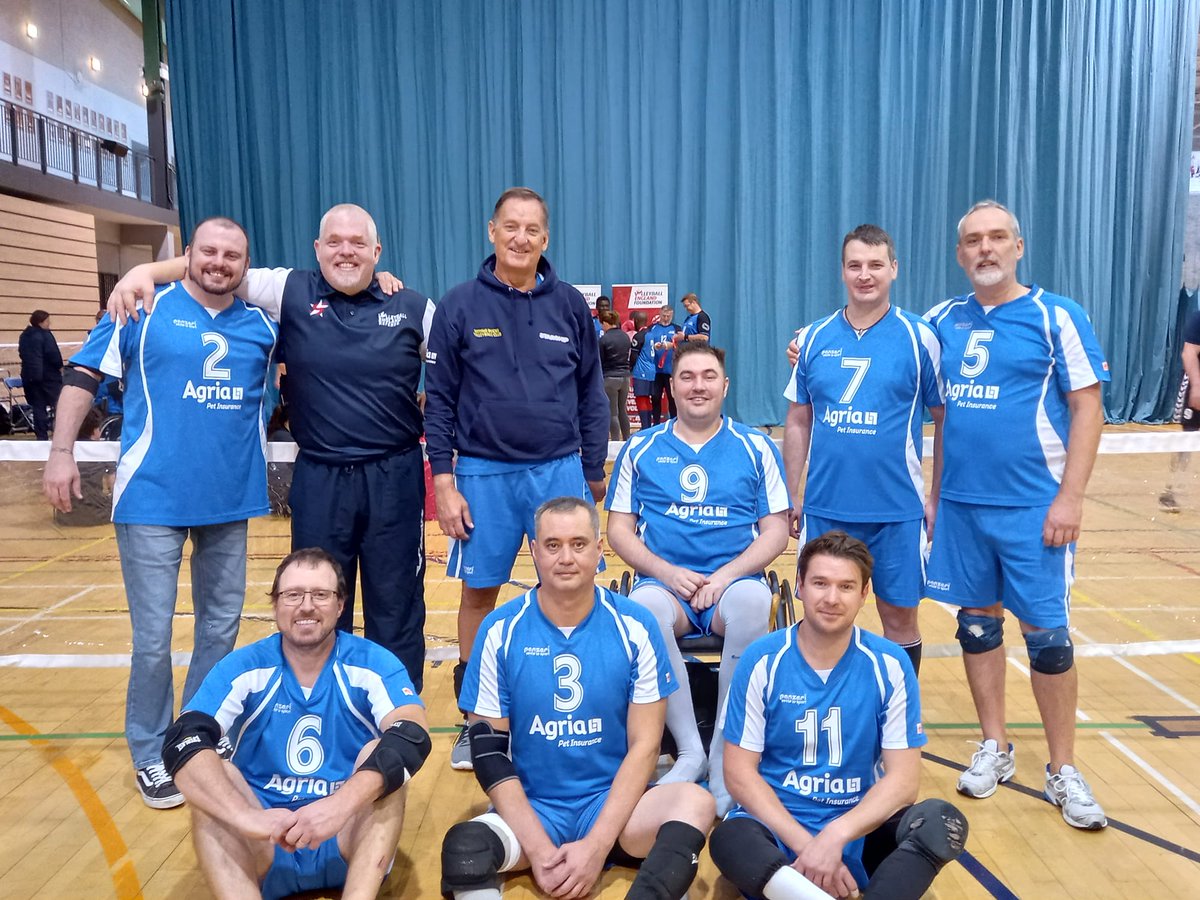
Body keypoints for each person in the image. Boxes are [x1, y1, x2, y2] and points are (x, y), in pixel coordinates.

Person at [104, 204, 432, 693]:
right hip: (320, 477)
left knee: (397, 600)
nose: (346, 250)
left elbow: (457, 378)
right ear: (317, 249)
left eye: (358, 243)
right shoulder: (288, 290)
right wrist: (145, 269)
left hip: (395, 477)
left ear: (377, 251)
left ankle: (399, 720)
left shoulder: (413, 306)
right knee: (317, 599)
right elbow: (215, 268)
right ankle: (321, 704)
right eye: (335, 241)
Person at [44, 217, 278, 809]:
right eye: (208, 251)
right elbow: (82, 375)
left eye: (232, 255)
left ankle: (192, 740)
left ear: (245, 265)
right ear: (189, 254)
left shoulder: (263, 328)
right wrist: (62, 452)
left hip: (230, 500)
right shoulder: (140, 306)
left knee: (219, 630)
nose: (219, 263)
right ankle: (150, 752)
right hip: (151, 499)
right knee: (152, 640)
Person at [924, 200, 1110, 829]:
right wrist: (804, 347)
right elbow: (893, 356)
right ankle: (995, 744)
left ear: (1018, 246)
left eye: (997, 238)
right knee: (977, 627)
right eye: (973, 240)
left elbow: (1089, 409)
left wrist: (1072, 497)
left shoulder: (1057, 316)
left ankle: (1062, 767)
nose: (985, 249)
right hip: (961, 508)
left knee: (1048, 638)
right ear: (959, 254)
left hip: (1035, 508)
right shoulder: (941, 321)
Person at [441, 497, 713, 900]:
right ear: (533, 551)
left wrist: (597, 845)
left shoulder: (634, 626)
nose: (565, 557)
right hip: (536, 807)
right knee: (465, 849)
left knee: (695, 803)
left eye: (578, 544)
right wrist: (538, 848)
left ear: (599, 550)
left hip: (614, 807)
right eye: (552, 545)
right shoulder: (500, 629)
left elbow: (645, 746)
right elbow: (489, 752)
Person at [423, 187, 609, 769]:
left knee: (575, 588)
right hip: (481, 473)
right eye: (511, 227)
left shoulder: (572, 309)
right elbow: (440, 402)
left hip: (558, 470)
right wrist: (445, 481)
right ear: (492, 231)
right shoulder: (458, 307)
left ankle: (580, 707)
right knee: (479, 594)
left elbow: (591, 393)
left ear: (545, 239)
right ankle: (477, 721)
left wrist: (593, 469)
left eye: (532, 229)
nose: (520, 238)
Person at [710, 531, 968, 900]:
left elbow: (904, 781)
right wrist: (808, 846)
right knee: (729, 839)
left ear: (864, 594)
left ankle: (795, 890)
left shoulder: (890, 664)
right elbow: (738, 773)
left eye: (846, 586)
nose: (832, 598)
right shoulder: (762, 660)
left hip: (857, 824)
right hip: (779, 822)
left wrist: (835, 836)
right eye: (820, 583)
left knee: (942, 822)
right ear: (799, 586)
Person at [163, 547, 430, 900]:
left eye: (321, 594)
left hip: (344, 835)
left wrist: (340, 805)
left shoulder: (372, 663)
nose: (306, 606)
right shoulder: (245, 666)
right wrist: (248, 819)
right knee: (215, 775)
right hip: (265, 841)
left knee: (379, 755)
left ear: (340, 604)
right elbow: (183, 740)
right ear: (275, 605)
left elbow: (412, 734)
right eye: (293, 595)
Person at [607, 342, 791, 815]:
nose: (698, 386)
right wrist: (667, 572)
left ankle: (725, 752)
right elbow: (618, 532)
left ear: (725, 386)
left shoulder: (755, 446)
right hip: (666, 586)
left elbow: (775, 533)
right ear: (671, 387)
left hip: (734, 582)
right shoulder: (640, 448)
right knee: (643, 611)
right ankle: (690, 749)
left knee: (753, 604)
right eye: (687, 377)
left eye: (708, 376)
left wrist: (726, 575)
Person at [783, 224, 944, 675]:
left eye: (875, 265)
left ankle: (898, 720)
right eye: (855, 265)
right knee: (821, 617)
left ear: (894, 269)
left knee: (899, 619)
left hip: (897, 509)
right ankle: (822, 713)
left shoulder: (920, 337)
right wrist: (790, 494)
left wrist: (936, 497)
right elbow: (798, 419)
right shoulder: (813, 338)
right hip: (827, 507)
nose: (865, 274)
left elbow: (945, 421)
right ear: (842, 272)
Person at [1159, 307, 1200, 513]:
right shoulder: (1199, 317)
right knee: (1189, 438)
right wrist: (1197, 386)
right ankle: (1172, 490)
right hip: (1197, 385)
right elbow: (1189, 352)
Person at [18, 309, 63, 440]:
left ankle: (41, 436)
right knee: (58, 404)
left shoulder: (24, 336)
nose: (49, 323)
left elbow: (22, 354)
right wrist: (60, 368)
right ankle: (60, 433)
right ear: (40, 322)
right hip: (48, 377)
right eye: (47, 321)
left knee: (38, 407)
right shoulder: (45, 335)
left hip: (30, 377)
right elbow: (54, 355)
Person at [599, 309, 633, 441]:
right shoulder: (625, 336)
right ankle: (627, 439)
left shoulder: (604, 339)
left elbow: (600, 361)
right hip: (625, 377)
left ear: (606, 323)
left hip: (610, 377)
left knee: (612, 412)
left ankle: (614, 442)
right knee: (622, 410)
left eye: (602, 323)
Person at [645, 304, 682, 424]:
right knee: (655, 398)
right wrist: (654, 347)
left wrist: (672, 346)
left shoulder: (677, 329)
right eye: (664, 315)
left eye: (668, 316)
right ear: (660, 315)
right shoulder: (652, 328)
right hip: (655, 371)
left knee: (672, 398)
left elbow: (682, 347)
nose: (666, 318)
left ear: (672, 316)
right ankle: (655, 423)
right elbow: (646, 345)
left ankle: (674, 423)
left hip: (671, 370)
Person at [629, 309, 656, 430]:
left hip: (641, 371)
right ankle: (647, 426)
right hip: (651, 370)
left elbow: (633, 356)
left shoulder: (638, 336)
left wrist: (630, 368)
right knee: (647, 398)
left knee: (641, 398)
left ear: (635, 321)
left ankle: (645, 427)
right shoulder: (651, 334)